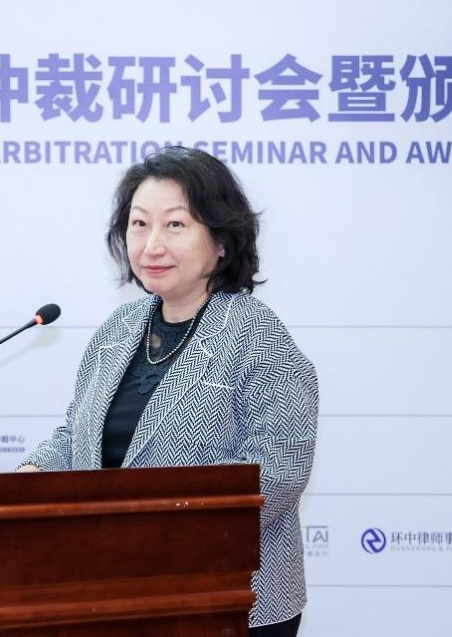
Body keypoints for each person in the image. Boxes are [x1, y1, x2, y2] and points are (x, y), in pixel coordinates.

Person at [19, 146, 319, 636]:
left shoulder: (256, 334)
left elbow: (277, 472)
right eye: (139, 224)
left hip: (229, 599)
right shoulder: (118, 329)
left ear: (221, 241)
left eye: (175, 225)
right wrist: (26, 479)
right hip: (117, 591)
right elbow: (76, 437)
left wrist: (163, 535)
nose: (152, 245)